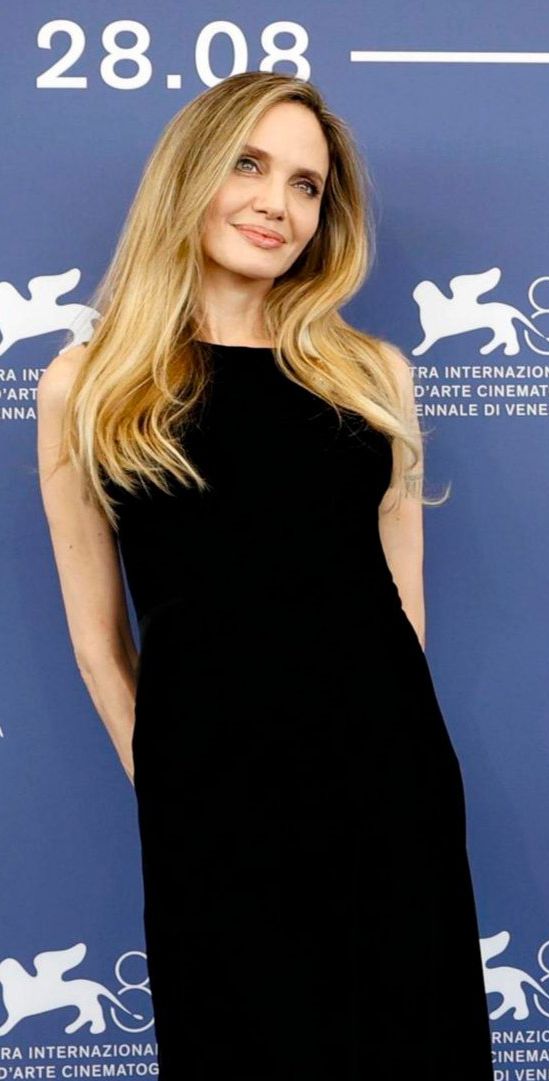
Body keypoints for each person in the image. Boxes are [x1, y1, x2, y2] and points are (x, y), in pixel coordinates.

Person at [34, 73, 491, 1077]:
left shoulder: (370, 373)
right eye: (248, 165)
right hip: (210, 798)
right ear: (189, 172)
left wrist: (396, 758)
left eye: (306, 185)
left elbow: (403, 606)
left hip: (387, 784)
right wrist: (170, 783)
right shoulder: (89, 383)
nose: (275, 204)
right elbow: (98, 640)